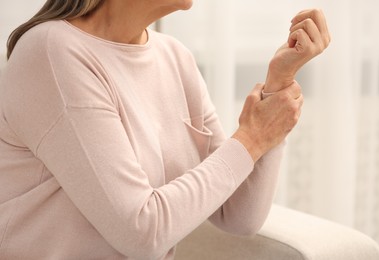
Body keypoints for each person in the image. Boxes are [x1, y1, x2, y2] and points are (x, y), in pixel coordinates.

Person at [0, 0, 330, 259]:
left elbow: (239, 216)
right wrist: (253, 137)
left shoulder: (175, 57)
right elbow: (142, 233)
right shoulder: (52, 51)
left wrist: (277, 87)